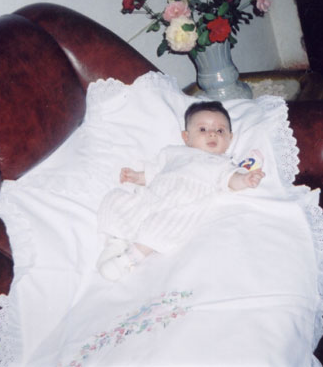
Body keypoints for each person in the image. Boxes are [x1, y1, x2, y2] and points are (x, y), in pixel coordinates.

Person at [96, 101, 264, 281]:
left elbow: (231, 180)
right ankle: (115, 242)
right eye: (203, 129)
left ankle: (130, 258)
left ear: (230, 138)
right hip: (154, 195)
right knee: (117, 199)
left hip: (180, 206)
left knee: (163, 227)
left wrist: (245, 179)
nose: (212, 134)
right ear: (186, 137)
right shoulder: (173, 153)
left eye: (220, 131)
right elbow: (156, 171)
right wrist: (137, 177)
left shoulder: (222, 163)